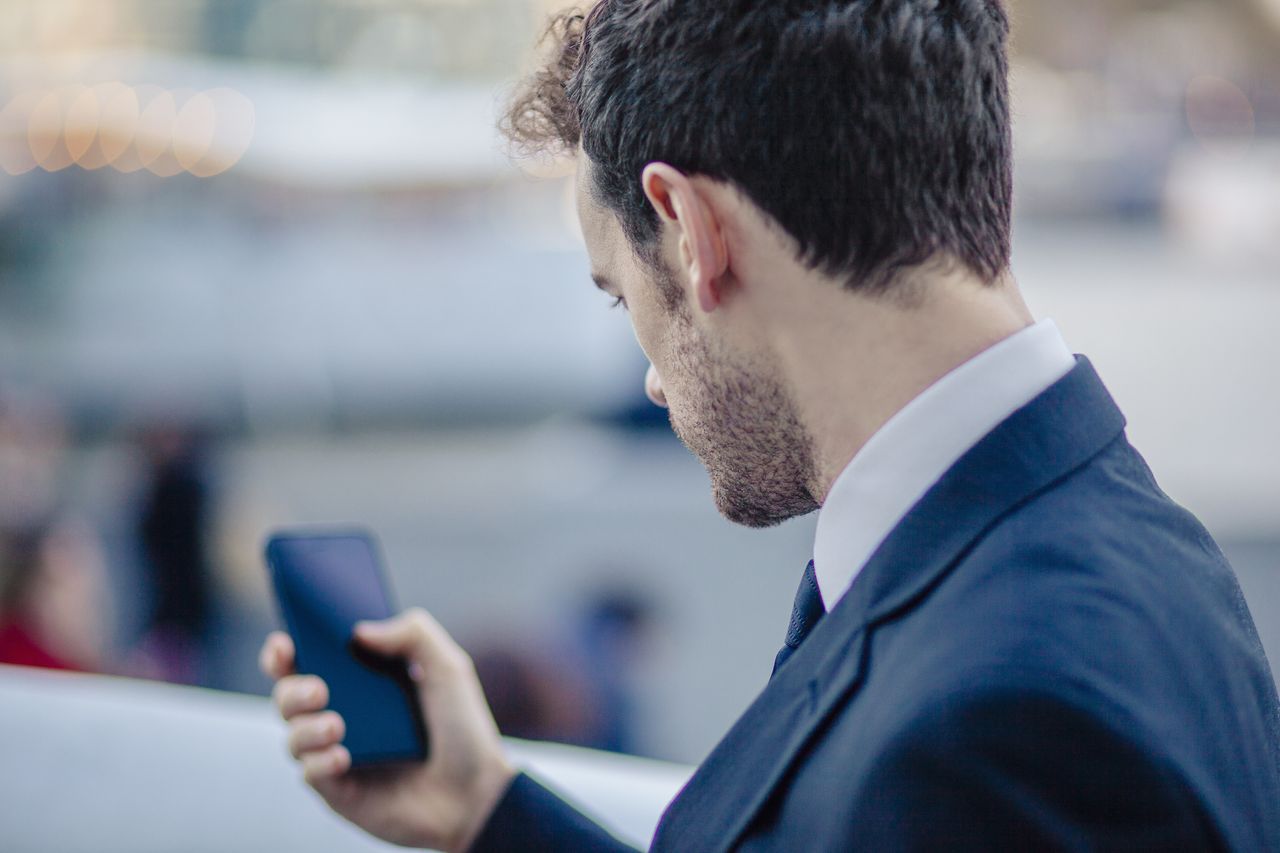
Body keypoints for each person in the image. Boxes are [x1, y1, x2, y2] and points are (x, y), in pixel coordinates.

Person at [259, 1, 1280, 850]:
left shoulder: (1000, 729)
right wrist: (486, 809)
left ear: (693, 234)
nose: (653, 382)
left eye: (625, 299)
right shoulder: (1099, 539)